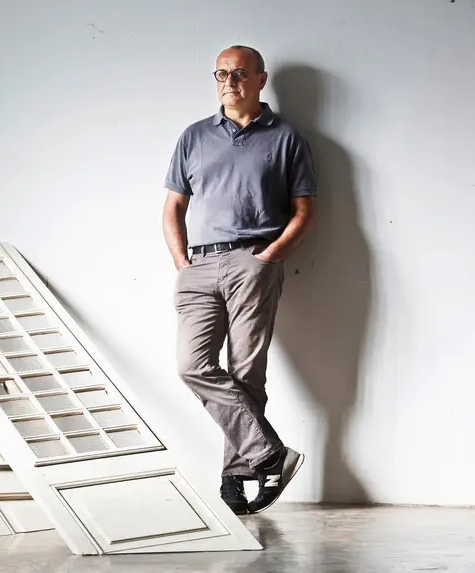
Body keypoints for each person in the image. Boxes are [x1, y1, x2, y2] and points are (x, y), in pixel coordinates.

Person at [161, 45, 317, 514]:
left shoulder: (287, 138)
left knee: (246, 371)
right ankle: (270, 455)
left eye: (240, 73)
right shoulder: (194, 136)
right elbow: (173, 207)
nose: (230, 81)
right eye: (222, 73)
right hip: (199, 266)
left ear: (261, 79)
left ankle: (235, 478)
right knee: (192, 365)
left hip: (254, 259)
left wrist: (268, 258)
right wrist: (181, 261)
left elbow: (305, 211)